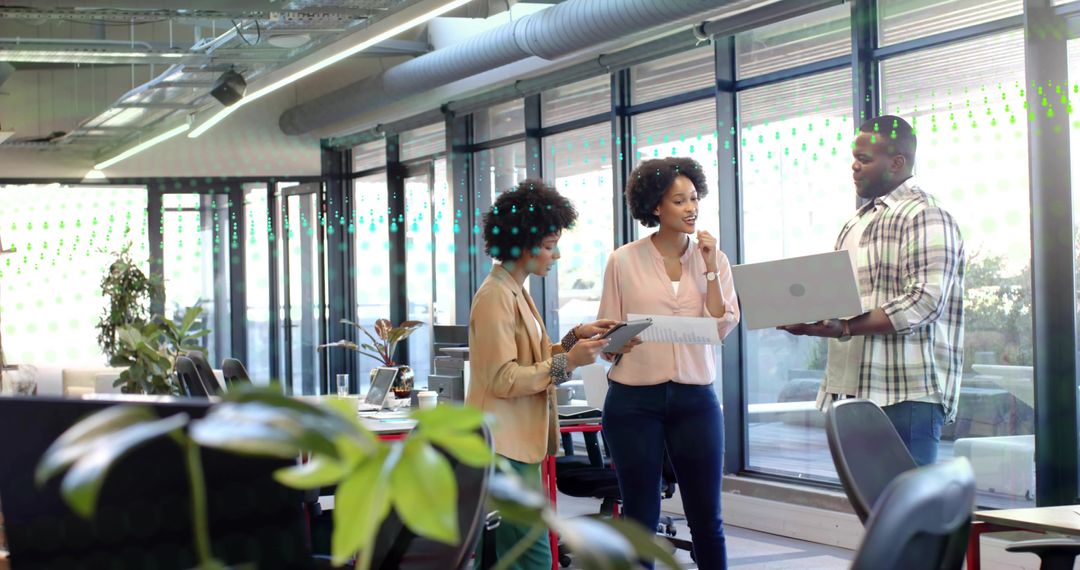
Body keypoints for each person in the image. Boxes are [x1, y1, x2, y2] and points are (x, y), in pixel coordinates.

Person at [778, 115, 965, 467]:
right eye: (854, 157)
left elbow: (924, 302)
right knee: (873, 514)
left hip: (904, 395)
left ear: (897, 163)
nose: (854, 166)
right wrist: (810, 314)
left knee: (907, 514)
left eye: (864, 159)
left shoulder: (926, 215)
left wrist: (846, 327)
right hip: (851, 391)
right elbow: (843, 300)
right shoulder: (857, 222)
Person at [467, 179, 630, 569]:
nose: (555, 256)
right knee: (534, 554)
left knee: (522, 553)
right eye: (549, 246)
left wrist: (575, 338)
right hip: (504, 444)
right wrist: (570, 361)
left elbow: (529, 358)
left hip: (520, 442)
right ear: (524, 244)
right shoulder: (494, 297)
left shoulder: (515, 290)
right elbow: (504, 379)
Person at [597, 156, 739, 570]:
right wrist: (618, 341)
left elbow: (721, 323)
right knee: (641, 519)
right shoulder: (622, 260)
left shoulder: (715, 259)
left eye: (694, 198)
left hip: (695, 399)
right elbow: (608, 333)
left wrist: (711, 268)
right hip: (633, 401)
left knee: (706, 519)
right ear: (656, 207)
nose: (691, 208)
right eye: (679, 201)